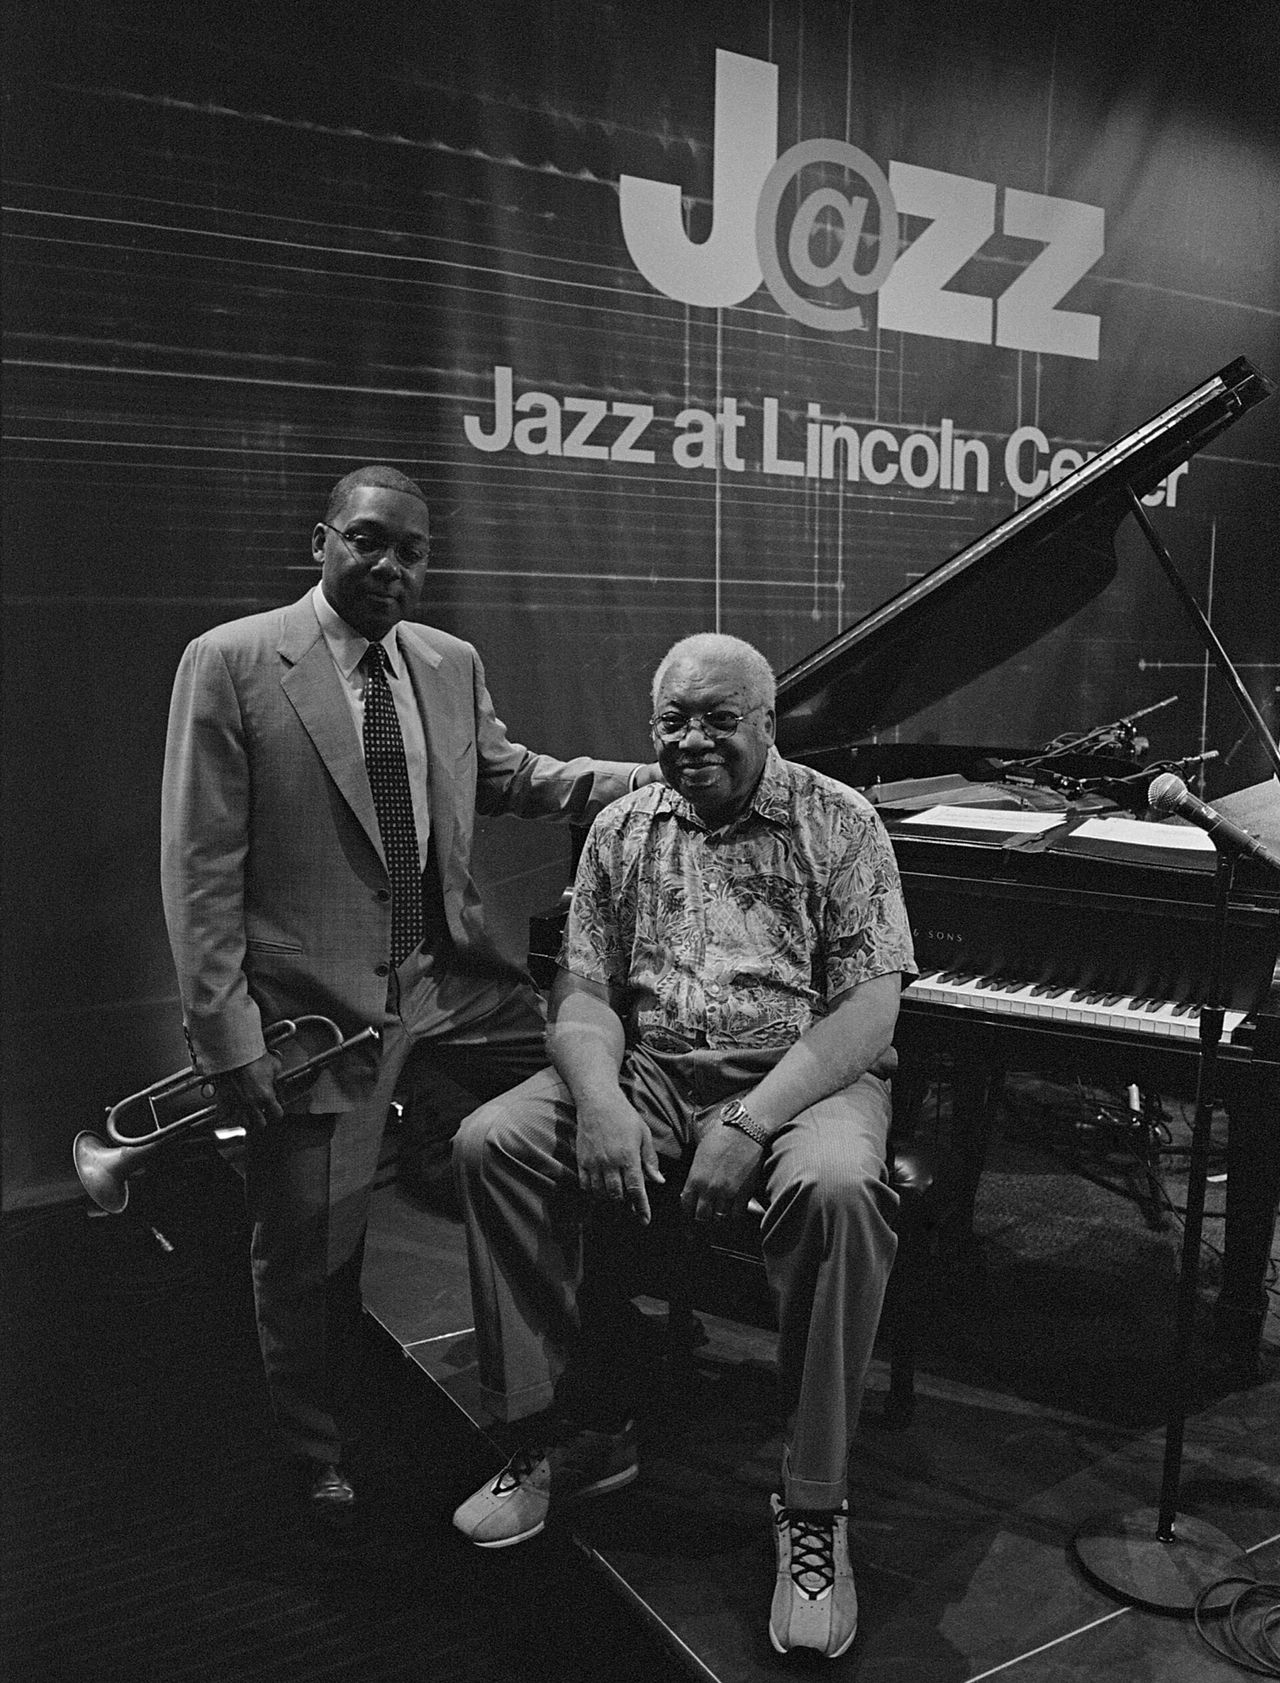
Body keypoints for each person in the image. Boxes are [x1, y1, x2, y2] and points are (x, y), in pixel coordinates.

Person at [160, 464, 656, 1512]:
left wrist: (646, 780)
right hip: (313, 1008)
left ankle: (581, 1385)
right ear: (321, 541)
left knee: (600, 1078)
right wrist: (227, 1039)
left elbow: (507, 774)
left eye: (411, 551)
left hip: (451, 982)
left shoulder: (445, 660)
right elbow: (199, 865)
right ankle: (317, 1453)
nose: (390, 565)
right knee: (309, 1255)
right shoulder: (234, 662)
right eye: (367, 540)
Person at [451, 632, 916, 1659]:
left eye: (718, 719)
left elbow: (867, 1012)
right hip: (651, 1066)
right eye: (673, 720)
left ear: (764, 722)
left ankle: (810, 1505)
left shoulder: (839, 821)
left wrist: (749, 1124)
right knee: (495, 1142)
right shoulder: (620, 826)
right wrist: (600, 1100)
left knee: (838, 1190)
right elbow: (580, 991)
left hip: (796, 1076)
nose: (692, 739)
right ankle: (572, 1429)